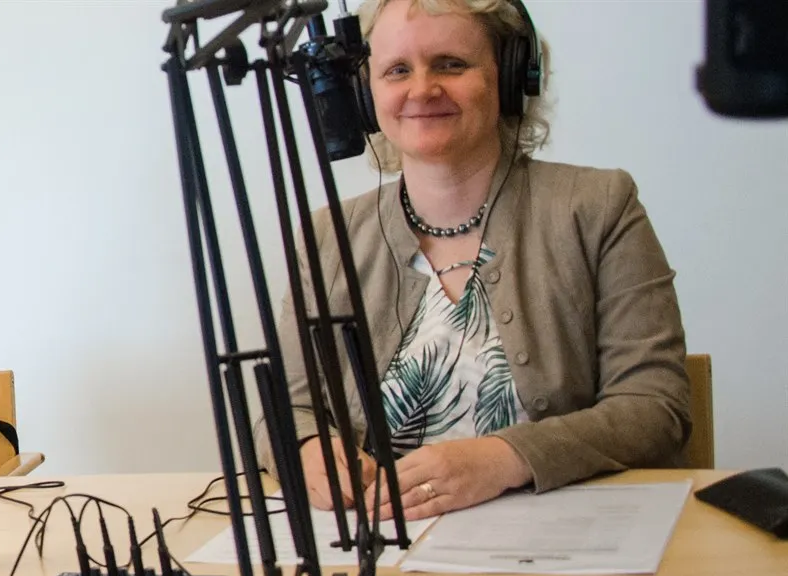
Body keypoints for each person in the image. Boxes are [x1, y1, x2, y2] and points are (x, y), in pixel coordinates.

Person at [263, 0, 691, 522]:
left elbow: (654, 408)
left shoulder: (598, 207)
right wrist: (307, 447)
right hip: (386, 543)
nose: (422, 89)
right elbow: (287, 408)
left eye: (451, 64)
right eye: (397, 70)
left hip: (561, 536)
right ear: (362, 93)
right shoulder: (328, 236)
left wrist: (506, 458)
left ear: (509, 76)